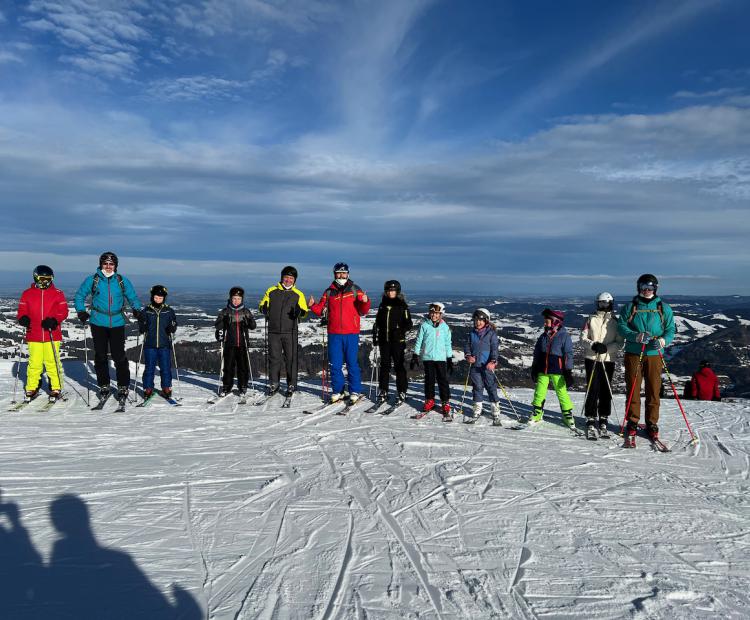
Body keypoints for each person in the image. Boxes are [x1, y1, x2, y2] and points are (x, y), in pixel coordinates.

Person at [74, 252, 142, 402]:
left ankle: (123, 386)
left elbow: (132, 297)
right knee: (100, 355)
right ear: (101, 264)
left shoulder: (121, 281)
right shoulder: (93, 280)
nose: (108, 266)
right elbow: (79, 296)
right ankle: (104, 385)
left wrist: (137, 309)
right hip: (98, 321)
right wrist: (81, 311)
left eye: (111, 264)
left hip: (117, 322)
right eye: (106, 263)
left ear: (116, 265)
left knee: (119, 356)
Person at [617, 274, 676, 445]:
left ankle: (652, 423)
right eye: (643, 287)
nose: (647, 290)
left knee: (654, 389)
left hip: (654, 354)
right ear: (639, 288)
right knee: (633, 387)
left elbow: (670, 328)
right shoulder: (631, 307)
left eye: (650, 287)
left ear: (655, 288)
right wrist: (636, 336)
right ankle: (633, 421)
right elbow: (622, 326)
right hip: (634, 352)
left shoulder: (663, 308)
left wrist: (663, 341)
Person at [308, 263, 371, 405]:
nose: (341, 275)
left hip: (351, 333)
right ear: (334, 274)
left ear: (348, 274)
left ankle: (355, 390)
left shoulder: (355, 289)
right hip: (334, 333)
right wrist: (312, 305)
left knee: (351, 363)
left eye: (344, 273)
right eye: (338, 273)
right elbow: (320, 310)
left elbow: (363, 310)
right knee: (335, 364)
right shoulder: (329, 291)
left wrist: (366, 302)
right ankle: (338, 391)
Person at [16, 265, 69, 402]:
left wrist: (54, 320)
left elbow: (63, 311)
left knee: (52, 362)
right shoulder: (27, 293)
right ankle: (32, 387)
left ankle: (56, 387)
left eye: (48, 279)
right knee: (35, 362)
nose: (44, 282)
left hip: (52, 333)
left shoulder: (57, 293)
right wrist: (23, 319)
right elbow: (22, 311)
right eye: (42, 278)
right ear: (36, 277)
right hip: (34, 334)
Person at [259, 266, 308, 397]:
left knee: (291, 359)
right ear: (281, 278)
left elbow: (304, 312)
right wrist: (263, 308)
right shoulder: (271, 290)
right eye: (286, 277)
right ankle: (274, 383)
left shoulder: (299, 294)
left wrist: (300, 312)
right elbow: (262, 305)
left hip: (290, 331)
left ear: (294, 280)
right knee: (274, 358)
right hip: (273, 331)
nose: (288, 280)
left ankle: (291, 384)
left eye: (291, 278)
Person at [580, 292, 623, 437]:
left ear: (611, 304)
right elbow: (582, 338)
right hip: (592, 358)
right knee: (592, 388)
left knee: (606, 388)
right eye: (600, 303)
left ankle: (604, 416)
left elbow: (620, 342)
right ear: (597, 303)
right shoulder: (590, 319)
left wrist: (606, 348)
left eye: (606, 303)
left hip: (608, 358)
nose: (603, 306)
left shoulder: (615, 321)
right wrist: (593, 345)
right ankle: (590, 416)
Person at [529, 308, 576, 428]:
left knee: (561, 392)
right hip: (542, 369)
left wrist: (568, 371)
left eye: (547, 321)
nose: (544, 323)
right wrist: (534, 367)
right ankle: (537, 411)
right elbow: (537, 353)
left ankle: (567, 414)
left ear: (555, 322)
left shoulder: (564, 336)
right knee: (540, 391)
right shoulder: (543, 336)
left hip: (557, 370)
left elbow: (568, 354)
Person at [373, 280, 413, 405]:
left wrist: (400, 331)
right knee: (384, 366)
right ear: (386, 291)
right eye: (389, 290)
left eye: (393, 290)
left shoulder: (402, 305)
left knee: (399, 366)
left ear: (397, 291)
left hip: (397, 341)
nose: (391, 293)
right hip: (384, 340)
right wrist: (375, 331)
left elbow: (409, 324)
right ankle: (383, 390)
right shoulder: (382, 305)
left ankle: (402, 391)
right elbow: (379, 321)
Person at [410, 302, 453, 418]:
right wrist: (415, 355)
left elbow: (448, 343)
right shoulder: (424, 325)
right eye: (432, 313)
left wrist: (449, 358)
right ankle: (430, 400)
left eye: (437, 313)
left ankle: (445, 402)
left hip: (441, 358)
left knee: (442, 380)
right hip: (428, 357)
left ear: (441, 314)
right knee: (429, 380)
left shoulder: (445, 327)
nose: (434, 315)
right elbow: (419, 341)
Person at [137, 285, 178, 399]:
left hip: (164, 344)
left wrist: (172, 327)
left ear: (164, 298)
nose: (158, 300)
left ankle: (166, 388)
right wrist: (142, 327)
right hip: (150, 344)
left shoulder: (168, 311)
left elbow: (174, 322)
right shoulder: (147, 310)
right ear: (152, 297)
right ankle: (148, 388)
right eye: (156, 297)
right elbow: (141, 323)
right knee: (149, 368)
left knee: (165, 368)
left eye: (160, 298)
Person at [215, 286, 257, 397]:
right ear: (230, 298)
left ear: (242, 299)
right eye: (234, 298)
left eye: (238, 298)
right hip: (229, 343)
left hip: (242, 343)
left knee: (243, 366)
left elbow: (253, 326)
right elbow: (218, 325)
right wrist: (223, 322)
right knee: (228, 366)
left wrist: (248, 321)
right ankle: (226, 386)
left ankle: (243, 386)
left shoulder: (245, 311)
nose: (236, 301)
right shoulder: (225, 311)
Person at [464, 308, 500, 421]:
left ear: (486, 321)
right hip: (475, 365)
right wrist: (468, 356)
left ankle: (495, 408)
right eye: (476, 320)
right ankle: (477, 408)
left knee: (490, 386)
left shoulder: (491, 334)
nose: (478, 322)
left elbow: (494, 348)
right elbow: (467, 346)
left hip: (487, 365)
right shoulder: (472, 333)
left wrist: (493, 361)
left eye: (480, 320)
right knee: (477, 387)